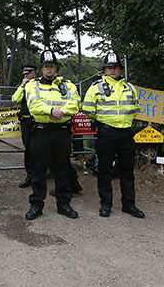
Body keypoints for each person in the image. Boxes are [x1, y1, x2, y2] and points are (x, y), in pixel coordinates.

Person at [83, 52, 144, 218]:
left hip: (126, 132)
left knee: (127, 171)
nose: (112, 70)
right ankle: (105, 204)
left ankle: (129, 205)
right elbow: (88, 109)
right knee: (105, 170)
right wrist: (103, 121)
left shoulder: (129, 88)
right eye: (109, 67)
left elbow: (135, 109)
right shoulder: (96, 87)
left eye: (115, 67)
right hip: (106, 132)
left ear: (120, 69)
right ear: (104, 69)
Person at [24, 50, 80, 220]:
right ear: (41, 68)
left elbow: (75, 104)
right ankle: (36, 205)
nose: (49, 69)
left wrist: (60, 112)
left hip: (62, 131)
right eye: (46, 66)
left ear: (56, 68)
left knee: (62, 168)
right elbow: (33, 106)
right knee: (38, 170)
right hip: (41, 132)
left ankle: (64, 204)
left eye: (52, 66)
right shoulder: (32, 85)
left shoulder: (68, 85)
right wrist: (51, 110)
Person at [11, 64, 37, 188]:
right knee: (28, 149)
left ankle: (41, 175)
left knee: (40, 149)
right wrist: (22, 86)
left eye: (28, 74)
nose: (26, 76)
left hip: (38, 121)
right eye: (25, 75)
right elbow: (15, 99)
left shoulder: (39, 85)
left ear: (34, 74)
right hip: (26, 122)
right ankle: (30, 175)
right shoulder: (23, 87)